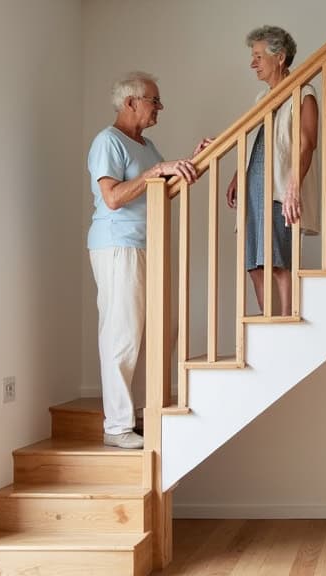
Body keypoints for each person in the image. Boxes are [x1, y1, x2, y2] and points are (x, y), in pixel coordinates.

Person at [87, 71, 209, 449]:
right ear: (131, 103)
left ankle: (138, 412)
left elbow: (160, 192)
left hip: (147, 245)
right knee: (122, 334)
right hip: (118, 245)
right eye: (154, 101)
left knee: (158, 331)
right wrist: (157, 170)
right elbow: (112, 197)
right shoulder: (109, 141)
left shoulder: (147, 145)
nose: (160, 108)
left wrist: (193, 162)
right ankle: (118, 427)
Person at [227, 25, 320, 316]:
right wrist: (236, 176)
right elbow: (254, 140)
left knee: (279, 260)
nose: (252, 63)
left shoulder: (304, 92)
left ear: (279, 57)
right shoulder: (261, 99)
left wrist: (294, 188)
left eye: (258, 56)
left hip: (280, 189)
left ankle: (286, 321)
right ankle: (269, 323)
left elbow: (306, 143)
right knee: (254, 264)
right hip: (254, 186)